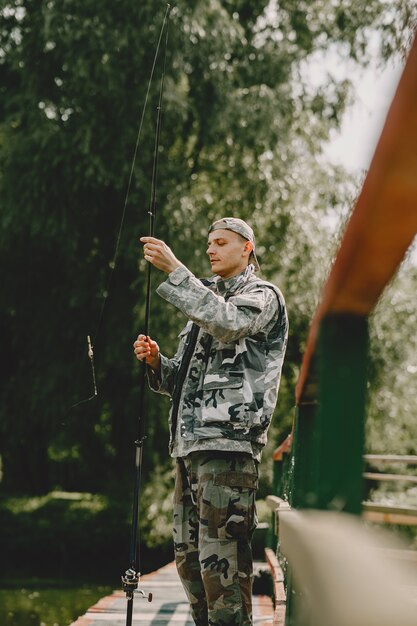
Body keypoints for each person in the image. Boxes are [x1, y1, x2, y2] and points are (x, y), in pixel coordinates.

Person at [133, 217, 288, 626]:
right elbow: (180, 384)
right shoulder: (204, 303)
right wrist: (157, 364)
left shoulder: (261, 296)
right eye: (208, 244)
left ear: (247, 248)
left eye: (221, 242)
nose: (211, 250)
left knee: (223, 568)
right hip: (190, 451)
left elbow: (229, 323)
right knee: (191, 566)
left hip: (228, 451)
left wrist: (176, 271)